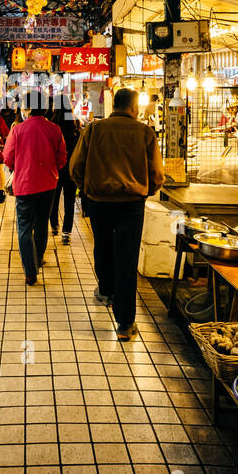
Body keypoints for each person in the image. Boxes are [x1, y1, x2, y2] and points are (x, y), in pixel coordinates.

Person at [70, 87, 165, 341]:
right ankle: (124, 323)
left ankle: (106, 291)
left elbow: (75, 166)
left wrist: (87, 188)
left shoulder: (94, 129)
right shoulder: (145, 132)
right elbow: (157, 174)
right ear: (134, 108)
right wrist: (147, 190)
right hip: (131, 203)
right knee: (127, 258)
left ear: (115, 106)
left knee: (102, 245)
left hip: (99, 200)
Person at [2, 93, 66, 286]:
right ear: (46, 108)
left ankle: (30, 272)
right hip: (48, 184)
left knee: (24, 228)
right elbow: (62, 157)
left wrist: (20, 165)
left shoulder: (18, 130)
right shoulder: (54, 129)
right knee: (41, 223)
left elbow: (7, 157)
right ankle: (37, 259)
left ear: (26, 108)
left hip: (25, 185)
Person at [49, 105, 80, 244]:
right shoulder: (75, 126)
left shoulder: (52, 126)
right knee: (69, 201)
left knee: (54, 199)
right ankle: (66, 232)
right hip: (71, 169)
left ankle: (54, 225)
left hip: (55, 168)